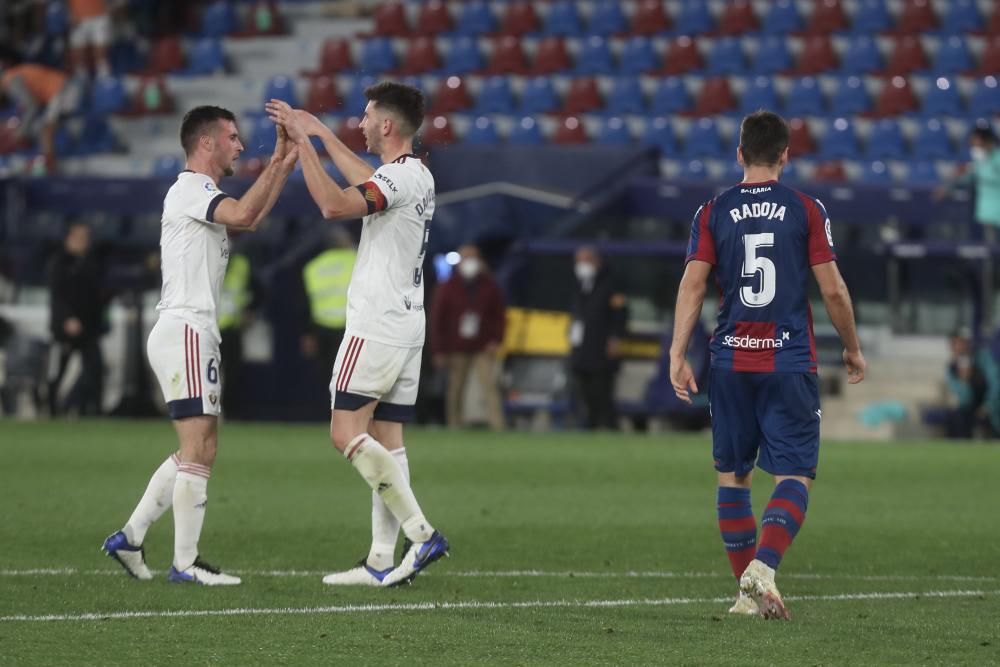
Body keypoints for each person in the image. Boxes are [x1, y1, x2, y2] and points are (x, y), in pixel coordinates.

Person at [669, 110, 866, 620]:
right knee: (795, 473)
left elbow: (693, 285)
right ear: (785, 155)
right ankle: (762, 569)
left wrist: (676, 353)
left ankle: (744, 596)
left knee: (733, 478)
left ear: (739, 154)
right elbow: (833, 289)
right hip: (788, 358)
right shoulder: (805, 208)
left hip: (729, 358)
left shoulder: (711, 211)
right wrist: (851, 346)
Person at [102, 105, 299, 585]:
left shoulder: (200, 193)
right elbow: (247, 215)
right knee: (200, 446)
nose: (238, 145)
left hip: (191, 331)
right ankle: (185, 563)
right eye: (231, 137)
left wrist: (281, 164)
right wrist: (275, 163)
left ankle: (130, 537)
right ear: (206, 142)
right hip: (186, 330)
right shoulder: (192, 188)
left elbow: (247, 217)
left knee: (200, 447)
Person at [266, 81, 449, 588]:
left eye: (368, 116)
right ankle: (379, 561)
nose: (362, 122)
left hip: (376, 325)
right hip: (407, 324)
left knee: (346, 433)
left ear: (387, 125)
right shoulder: (414, 175)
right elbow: (368, 179)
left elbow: (333, 205)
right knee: (388, 441)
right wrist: (321, 132)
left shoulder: (400, 178)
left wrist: (304, 144)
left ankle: (422, 532)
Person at [431, 244, 507, 430]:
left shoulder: (489, 285)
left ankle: (497, 424)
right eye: (466, 258)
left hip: (483, 345)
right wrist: (438, 350)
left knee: (489, 385)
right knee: (456, 387)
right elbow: (437, 319)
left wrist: (496, 340)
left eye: (473, 258)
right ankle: (454, 423)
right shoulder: (448, 286)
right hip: (456, 346)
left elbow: (500, 316)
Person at [48, 222, 107, 416]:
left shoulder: (91, 262)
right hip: (66, 329)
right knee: (59, 370)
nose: (85, 242)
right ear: (69, 238)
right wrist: (66, 319)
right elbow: (58, 296)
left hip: (89, 327)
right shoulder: (59, 263)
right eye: (80, 237)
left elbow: (97, 295)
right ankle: (52, 408)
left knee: (95, 368)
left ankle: (93, 410)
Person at [568, 245, 627, 430]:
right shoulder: (581, 284)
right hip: (582, 348)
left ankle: (610, 426)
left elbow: (621, 314)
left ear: (596, 261)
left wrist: (615, 338)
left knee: (602, 390)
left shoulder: (611, 283)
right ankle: (590, 426)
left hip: (601, 348)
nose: (581, 265)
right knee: (584, 391)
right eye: (578, 261)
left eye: (585, 260)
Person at [300, 225, 357, 400]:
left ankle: (331, 414)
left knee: (328, 375)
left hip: (321, 327)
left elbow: (304, 303)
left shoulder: (313, 267)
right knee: (352, 377)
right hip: (350, 327)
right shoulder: (358, 260)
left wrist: (307, 334)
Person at [0, 57, 81, 170]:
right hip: (63, 90)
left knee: (46, 130)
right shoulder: (14, 75)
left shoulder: (10, 81)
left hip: (63, 92)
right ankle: (47, 163)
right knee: (43, 128)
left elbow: (31, 107)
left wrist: (21, 132)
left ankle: (51, 168)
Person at [217, 231, 259, 420]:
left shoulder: (242, 264)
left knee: (232, 374)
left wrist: (250, 310)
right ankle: (208, 412)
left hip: (231, 328)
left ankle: (229, 412)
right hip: (206, 328)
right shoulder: (203, 263)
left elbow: (258, 291)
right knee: (207, 374)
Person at [943, 327, 1000, 439]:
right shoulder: (952, 368)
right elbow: (965, 399)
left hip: (991, 405)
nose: (959, 346)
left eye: (962, 342)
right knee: (956, 416)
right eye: (955, 342)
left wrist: (987, 406)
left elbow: (996, 384)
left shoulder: (983, 358)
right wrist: (964, 381)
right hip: (971, 407)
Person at [68, 0, 112, 79]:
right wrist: (71, 12)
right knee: (78, 51)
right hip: (78, 15)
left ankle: (103, 77)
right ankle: (80, 77)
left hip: (99, 15)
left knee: (100, 50)